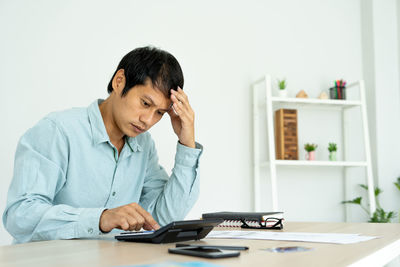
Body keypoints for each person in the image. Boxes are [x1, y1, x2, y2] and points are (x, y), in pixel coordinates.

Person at [2, 46, 202, 243]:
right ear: (119, 81)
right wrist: (100, 218)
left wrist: (187, 142)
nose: (148, 120)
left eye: (160, 112)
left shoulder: (143, 145)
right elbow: (20, 215)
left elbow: (161, 220)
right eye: (145, 103)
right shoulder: (58, 131)